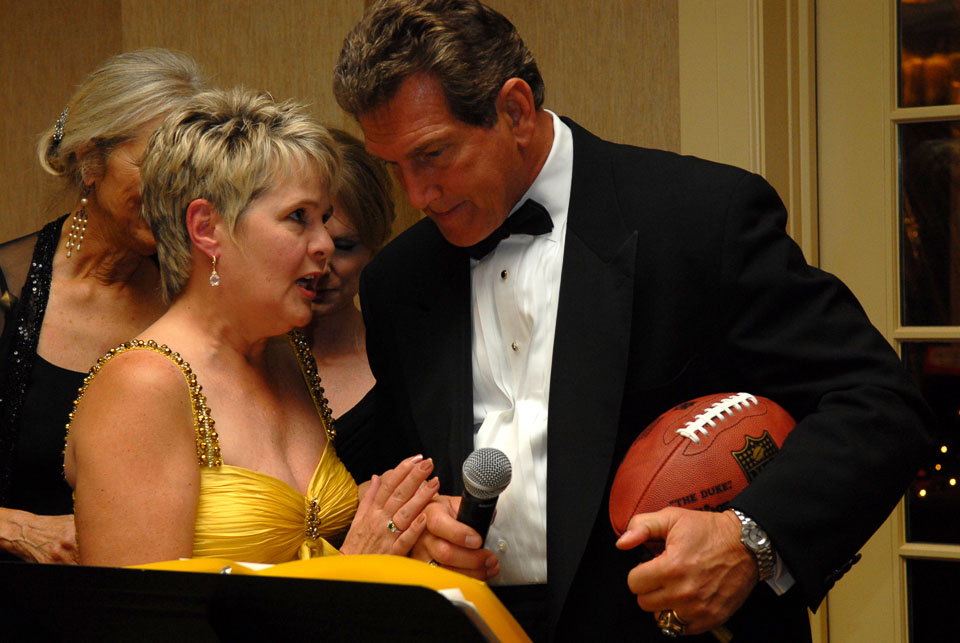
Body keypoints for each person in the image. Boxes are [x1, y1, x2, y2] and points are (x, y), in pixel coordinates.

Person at [332, 1, 935, 640]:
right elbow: (406, 474)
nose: (415, 195)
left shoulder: (701, 218)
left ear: (514, 110)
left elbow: (878, 404)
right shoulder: (396, 282)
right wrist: (426, 532)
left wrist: (750, 539)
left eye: (432, 155)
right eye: (394, 167)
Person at [62, 87, 437, 567]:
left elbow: (294, 537)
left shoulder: (285, 353)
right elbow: (141, 608)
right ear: (206, 228)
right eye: (298, 217)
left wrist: (414, 519)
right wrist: (354, 567)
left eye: (323, 219)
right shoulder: (143, 385)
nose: (324, 244)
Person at [0, 48, 206, 564]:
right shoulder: (7, 289)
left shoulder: (198, 294)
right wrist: (22, 530)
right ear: (90, 161)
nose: (177, 192)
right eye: (157, 165)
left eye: (193, 171)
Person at [306, 129, 396, 480]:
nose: (321, 267)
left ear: (375, 247)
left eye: (344, 247)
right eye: (304, 240)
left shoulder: (403, 364)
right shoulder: (241, 359)